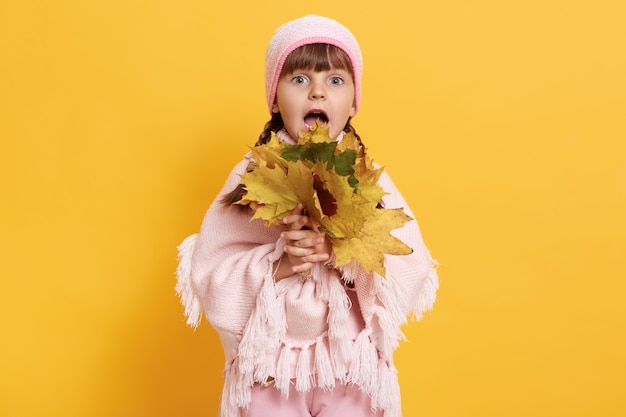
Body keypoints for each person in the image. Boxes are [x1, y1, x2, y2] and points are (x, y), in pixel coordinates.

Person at [176, 15, 439, 417]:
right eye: (299, 79)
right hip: (270, 371)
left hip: (349, 369)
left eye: (335, 80)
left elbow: (406, 261)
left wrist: (336, 250)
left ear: (353, 101)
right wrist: (281, 262)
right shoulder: (253, 175)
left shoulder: (365, 178)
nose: (318, 92)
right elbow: (212, 270)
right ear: (275, 97)